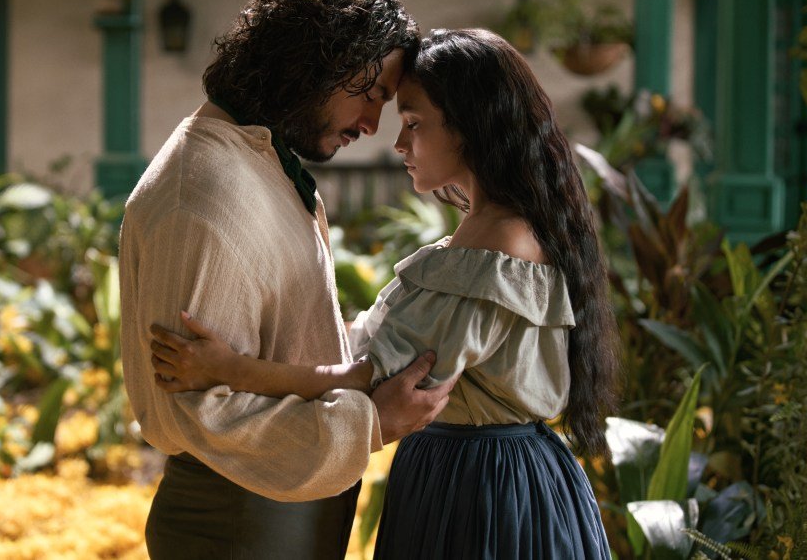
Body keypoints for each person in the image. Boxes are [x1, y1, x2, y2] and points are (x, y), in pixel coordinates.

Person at [149, 28, 621, 559]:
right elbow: (371, 344)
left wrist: (229, 369)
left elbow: (374, 377)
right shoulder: (476, 237)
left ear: (473, 126)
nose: (397, 143)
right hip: (453, 470)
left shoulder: (501, 243)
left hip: (485, 487)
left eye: (413, 123)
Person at [119, 0, 456, 559]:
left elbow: (281, 348)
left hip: (273, 509)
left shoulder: (255, 162)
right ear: (314, 63)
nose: (373, 125)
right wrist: (373, 421)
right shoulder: (204, 194)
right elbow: (202, 408)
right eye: (371, 94)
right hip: (239, 520)